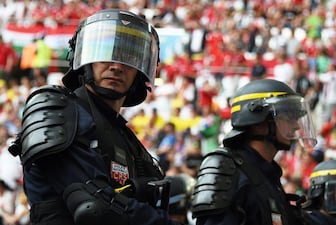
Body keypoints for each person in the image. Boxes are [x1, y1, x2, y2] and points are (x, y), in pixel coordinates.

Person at [8, 9, 181, 225]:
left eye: (128, 57)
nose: (116, 66)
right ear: (85, 59)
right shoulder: (57, 112)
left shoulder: (126, 137)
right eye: (105, 53)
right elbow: (94, 208)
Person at [191, 78, 318, 225]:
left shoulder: (268, 174)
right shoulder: (226, 169)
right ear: (258, 122)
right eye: (288, 116)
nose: (296, 126)